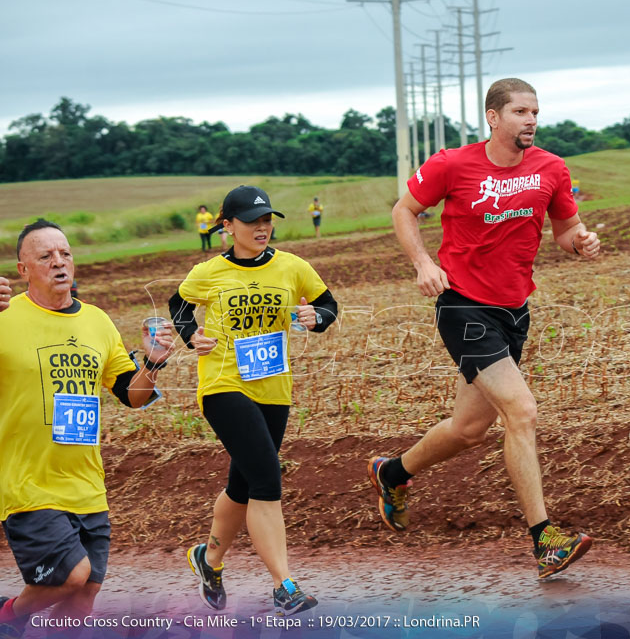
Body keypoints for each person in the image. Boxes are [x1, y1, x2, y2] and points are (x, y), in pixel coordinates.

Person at [370, 78, 601, 579]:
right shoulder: (453, 164)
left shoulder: (551, 169)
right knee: (521, 410)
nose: (531, 120)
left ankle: (392, 472)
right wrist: (422, 263)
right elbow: (404, 210)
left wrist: (580, 242)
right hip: (462, 306)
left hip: (514, 310)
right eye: (520, 111)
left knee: (470, 428)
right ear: (494, 117)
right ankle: (545, 541)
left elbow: (564, 230)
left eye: (535, 111)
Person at [168, 185, 338, 616]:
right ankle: (284, 585)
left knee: (243, 484)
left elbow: (328, 305)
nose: (262, 228)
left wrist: (316, 318)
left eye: (266, 220)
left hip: (274, 387)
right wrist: (192, 336)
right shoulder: (209, 272)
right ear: (228, 226)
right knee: (266, 479)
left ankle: (208, 560)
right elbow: (179, 305)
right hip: (224, 384)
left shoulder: (292, 267)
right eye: (251, 221)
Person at [0, 220, 173, 637]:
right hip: (27, 482)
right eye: (46, 256)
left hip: (87, 482)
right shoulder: (5, 317)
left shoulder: (97, 321)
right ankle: (7, 616)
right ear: (24, 270)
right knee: (71, 576)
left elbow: (131, 395)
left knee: (84, 594)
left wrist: (151, 361)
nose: (59, 262)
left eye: (65, 253)